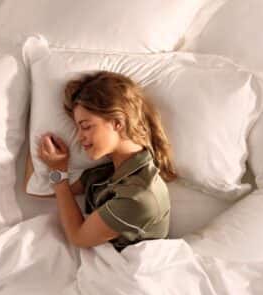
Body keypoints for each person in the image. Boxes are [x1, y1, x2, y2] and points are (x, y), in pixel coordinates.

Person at [24, 71, 177, 252]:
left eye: (86, 126)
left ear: (117, 122)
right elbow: (36, 188)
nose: (79, 137)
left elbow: (78, 237)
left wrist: (58, 171)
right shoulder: (108, 172)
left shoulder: (140, 197)